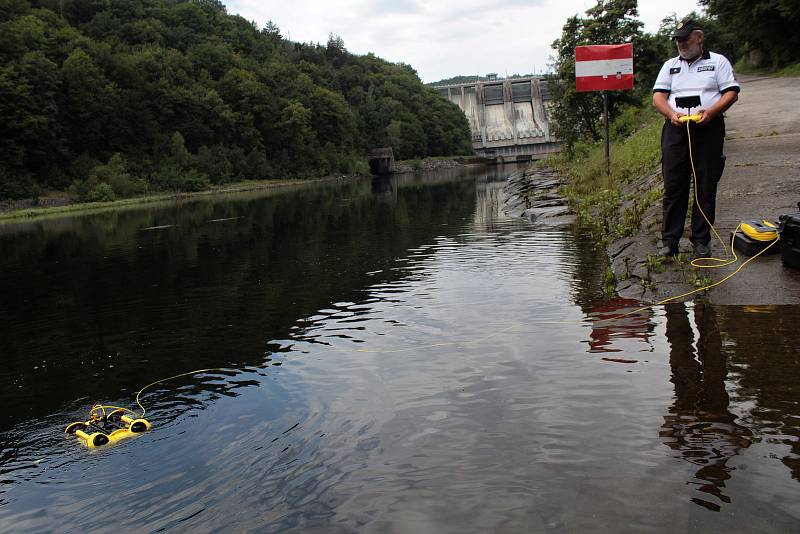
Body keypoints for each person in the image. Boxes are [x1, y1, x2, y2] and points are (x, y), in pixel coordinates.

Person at [652, 18, 740, 257]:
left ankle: (701, 239)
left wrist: (711, 112)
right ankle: (670, 241)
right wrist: (671, 113)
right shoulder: (670, 65)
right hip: (676, 130)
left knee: (706, 185)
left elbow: (731, 93)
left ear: (699, 37)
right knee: (674, 186)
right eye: (678, 40)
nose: (681, 43)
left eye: (686, 38)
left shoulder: (717, 61)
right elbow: (658, 97)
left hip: (708, 128)